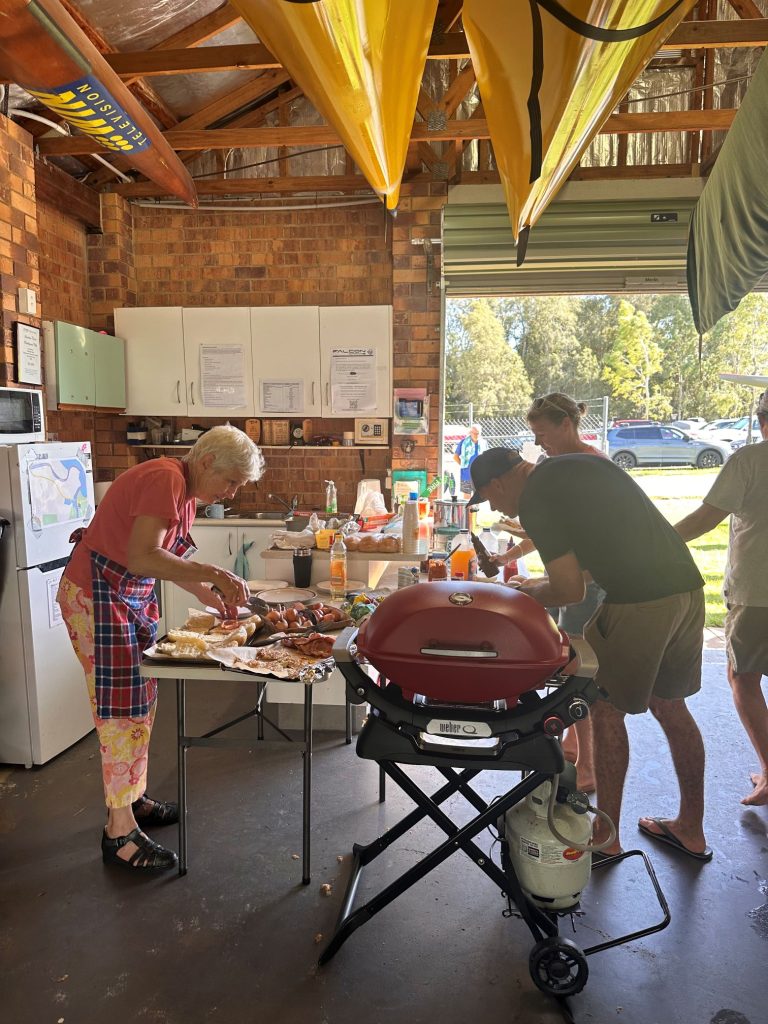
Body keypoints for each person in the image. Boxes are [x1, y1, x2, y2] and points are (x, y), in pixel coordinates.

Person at [468, 446, 712, 861]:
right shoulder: (576, 467)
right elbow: (599, 557)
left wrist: (516, 595)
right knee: (671, 706)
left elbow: (569, 591)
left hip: (640, 601)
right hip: (686, 590)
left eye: (488, 497)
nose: (494, 507)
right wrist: (535, 585)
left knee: (605, 710)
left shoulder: (536, 499)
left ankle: (605, 835)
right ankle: (691, 828)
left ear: (498, 482)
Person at [57, 425, 264, 872]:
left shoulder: (184, 490)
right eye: (231, 481)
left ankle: (132, 799)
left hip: (123, 597)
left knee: (141, 702)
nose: (231, 493)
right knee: (120, 710)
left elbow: (163, 561)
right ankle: (119, 832)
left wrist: (206, 593)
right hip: (97, 598)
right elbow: (142, 557)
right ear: (206, 462)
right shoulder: (165, 479)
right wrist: (214, 573)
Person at [493, 394, 606, 792]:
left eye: (543, 433)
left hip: (590, 583)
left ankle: (589, 768)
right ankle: (574, 748)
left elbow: (586, 536)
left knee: (579, 674)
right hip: (571, 579)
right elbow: (548, 530)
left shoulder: (591, 466)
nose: (539, 443)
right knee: (571, 667)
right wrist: (509, 554)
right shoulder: (556, 465)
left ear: (566, 425)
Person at [674, 390, 768, 806]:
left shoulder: (750, 460)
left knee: (742, 678)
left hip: (758, 592)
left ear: (762, 421)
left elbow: (705, 518)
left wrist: (653, 541)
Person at [453, 423, 487, 498]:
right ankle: (467, 506)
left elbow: (486, 457)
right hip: (466, 474)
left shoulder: (483, 443)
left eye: (478, 433)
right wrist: (463, 465)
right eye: (474, 433)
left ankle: (475, 506)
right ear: (470, 433)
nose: (476, 435)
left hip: (479, 474)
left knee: (478, 495)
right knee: (467, 495)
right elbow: (455, 457)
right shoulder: (464, 442)